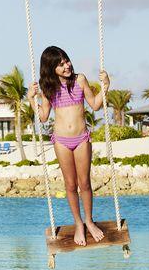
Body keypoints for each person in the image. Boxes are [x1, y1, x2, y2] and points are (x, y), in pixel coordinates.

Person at [29, 45, 111, 246]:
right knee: (70, 185)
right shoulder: (48, 87)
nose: (66, 66)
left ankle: (89, 221)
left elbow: (95, 104)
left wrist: (106, 86)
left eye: (66, 60)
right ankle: (78, 224)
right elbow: (43, 116)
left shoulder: (80, 79)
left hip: (81, 138)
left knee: (85, 183)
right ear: (51, 69)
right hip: (62, 141)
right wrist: (32, 99)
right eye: (60, 64)